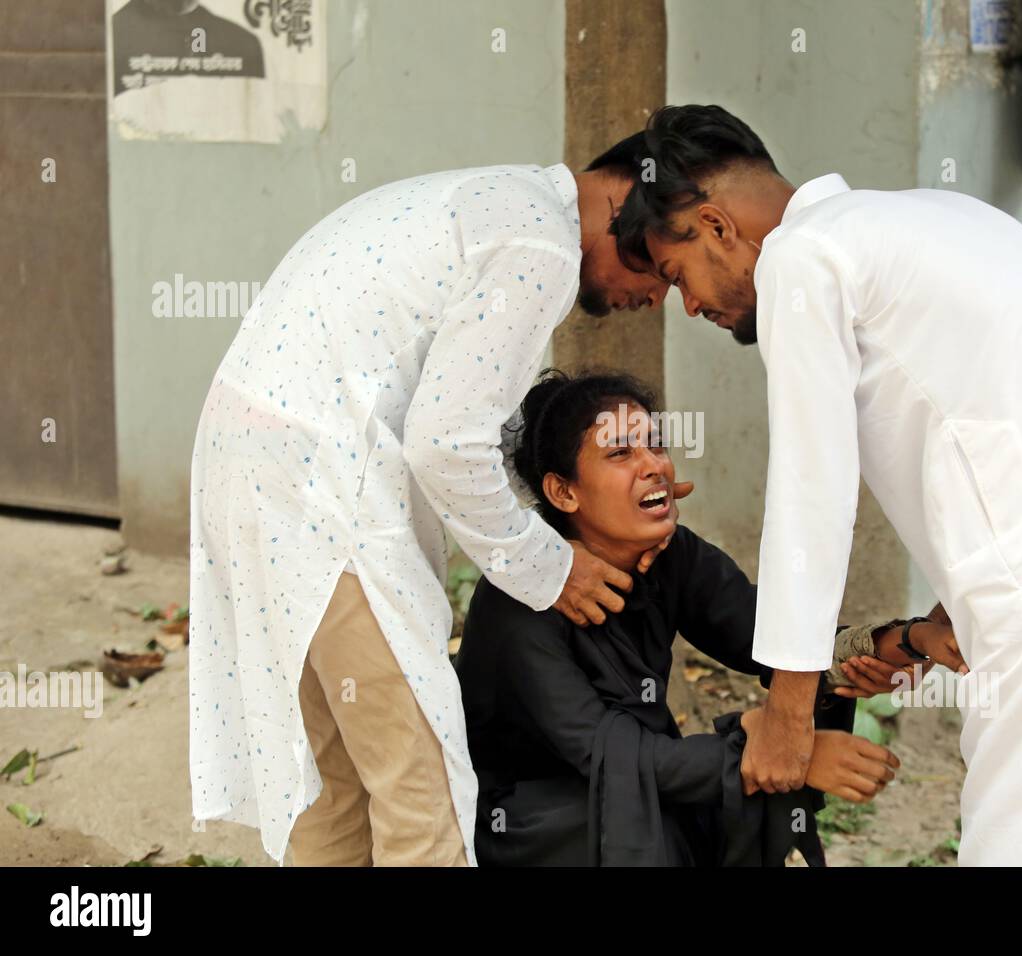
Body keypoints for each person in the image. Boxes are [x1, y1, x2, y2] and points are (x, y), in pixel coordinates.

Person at [610, 105, 1022, 865]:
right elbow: (999, 402)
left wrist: (788, 711)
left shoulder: (802, 259)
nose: (693, 305)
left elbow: (812, 491)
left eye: (678, 275)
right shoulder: (930, 215)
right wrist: (955, 598)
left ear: (716, 225)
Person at [189, 146, 680, 866]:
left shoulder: (497, 194)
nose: (659, 296)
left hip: (250, 468)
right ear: (619, 208)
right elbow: (448, 443)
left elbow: (468, 415)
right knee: (423, 795)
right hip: (322, 493)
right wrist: (550, 564)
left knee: (335, 783)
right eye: (659, 268)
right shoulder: (539, 242)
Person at [455, 370, 912, 866]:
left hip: (632, 778)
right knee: (670, 809)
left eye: (656, 446)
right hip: (533, 817)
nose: (653, 466)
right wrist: (774, 752)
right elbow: (603, 753)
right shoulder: (518, 599)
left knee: (718, 790)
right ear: (564, 493)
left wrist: (891, 645)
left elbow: (769, 637)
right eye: (620, 454)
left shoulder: (672, 556)